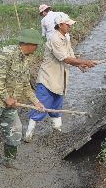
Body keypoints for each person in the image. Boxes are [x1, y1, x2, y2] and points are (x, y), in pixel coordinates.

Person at [0, 28, 45, 181]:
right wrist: (7, 98)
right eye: (37, 45)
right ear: (30, 44)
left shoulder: (26, 60)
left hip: (8, 102)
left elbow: (26, 86)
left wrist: (37, 102)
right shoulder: (6, 54)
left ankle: (9, 161)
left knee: (16, 130)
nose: (37, 48)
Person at [24, 13, 96, 142]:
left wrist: (80, 65)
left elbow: (71, 55)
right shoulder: (54, 39)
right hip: (48, 80)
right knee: (40, 108)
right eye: (67, 24)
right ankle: (28, 136)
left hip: (59, 81)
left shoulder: (66, 37)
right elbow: (65, 58)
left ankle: (57, 134)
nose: (70, 26)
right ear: (60, 25)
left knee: (56, 109)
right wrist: (85, 61)